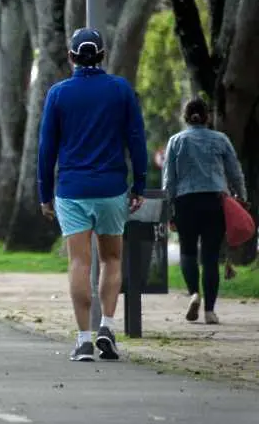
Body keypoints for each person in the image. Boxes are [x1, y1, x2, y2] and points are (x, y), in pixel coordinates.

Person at [38, 27, 147, 362]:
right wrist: (139, 184)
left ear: (71, 57)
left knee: (79, 262)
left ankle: (84, 339)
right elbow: (137, 140)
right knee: (112, 259)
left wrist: (45, 193)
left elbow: (46, 149)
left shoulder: (58, 94)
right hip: (112, 188)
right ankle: (108, 328)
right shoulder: (120, 90)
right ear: (102, 56)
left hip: (71, 190)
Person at [162, 98, 247, 325]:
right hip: (214, 202)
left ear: (186, 118)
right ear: (207, 117)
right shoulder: (220, 139)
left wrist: (169, 210)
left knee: (188, 252)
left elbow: (169, 180)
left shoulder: (176, 141)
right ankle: (210, 311)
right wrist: (242, 198)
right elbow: (235, 172)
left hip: (185, 202)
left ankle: (194, 294)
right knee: (209, 257)